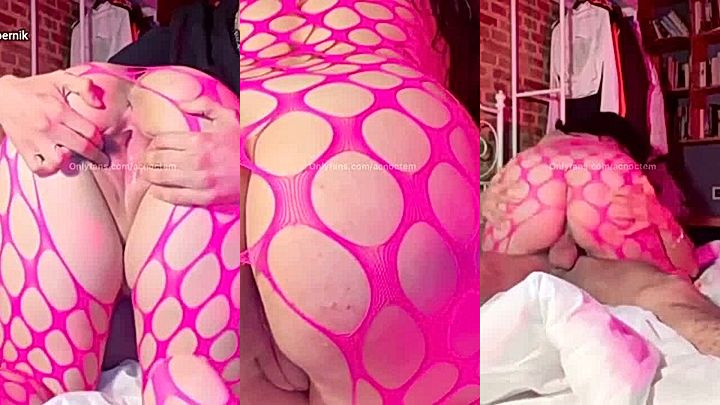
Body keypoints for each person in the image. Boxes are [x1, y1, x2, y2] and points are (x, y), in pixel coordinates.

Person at [0, 0, 481, 403]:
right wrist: (8, 93)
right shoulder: (193, 37)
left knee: (150, 106)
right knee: (113, 107)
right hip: (353, 155)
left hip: (303, 184)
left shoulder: (204, 35)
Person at [480, 112, 720, 359]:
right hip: (603, 171)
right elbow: (689, 266)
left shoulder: (528, 156)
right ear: (622, 143)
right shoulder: (616, 156)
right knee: (659, 288)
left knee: (490, 272)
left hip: (534, 172)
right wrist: (659, 215)